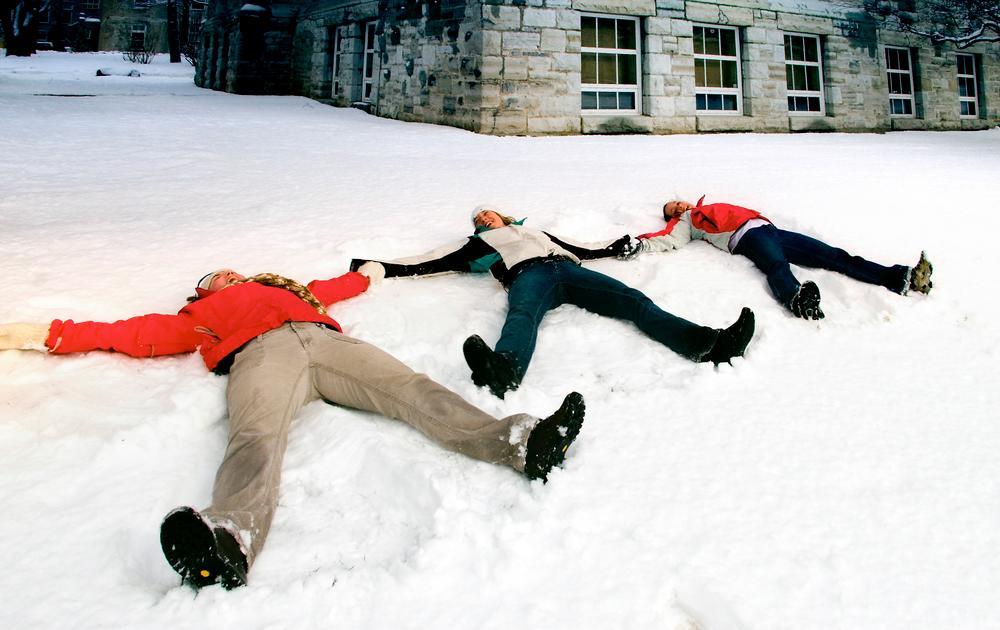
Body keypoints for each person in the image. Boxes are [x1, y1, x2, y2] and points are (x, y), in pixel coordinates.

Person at [0, 266, 586, 590]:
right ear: (202, 293)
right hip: (261, 358)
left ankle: (520, 441)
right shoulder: (197, 318)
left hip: (331, 345)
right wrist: (44, 333)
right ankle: (229, 536)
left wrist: (368, 275)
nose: (224, 276)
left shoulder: (284, 287)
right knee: (255, 436)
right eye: (213, 277)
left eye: (228, 270)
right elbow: (125, 333)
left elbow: (335, 287)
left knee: (414, 390)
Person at [350, 206, 755, 399]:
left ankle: (708, 343)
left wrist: (616, 246)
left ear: (504, 215)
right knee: (523, 313)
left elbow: (581, 248)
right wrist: (376, 267)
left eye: (490, 215)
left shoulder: (538, 231)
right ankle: (504, 369)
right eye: (480, 219)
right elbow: (429, 263)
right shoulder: (479, 245)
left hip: (568, 268)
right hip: (529, 276)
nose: (485, 220)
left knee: (633, 300)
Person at [635, 196, 934, 320]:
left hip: (771, 230)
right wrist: (636, 243)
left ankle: (901, 278)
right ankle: (795, 299)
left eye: (677, 203)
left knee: (835, 256)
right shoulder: (686, 221)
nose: (677, 208)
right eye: (671, 210)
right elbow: (667, 239)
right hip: (748, 238)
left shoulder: (707, 205)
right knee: (776, 266)